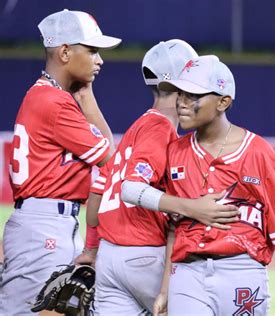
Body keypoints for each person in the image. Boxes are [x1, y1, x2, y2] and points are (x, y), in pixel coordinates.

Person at [74, 40, 240, 315]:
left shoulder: (135, 129)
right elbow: (131, 188)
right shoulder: (160, 130)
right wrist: (191, 207)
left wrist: (91, 249)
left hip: (110, 257)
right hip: (144, 253)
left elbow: (97, 193)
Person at [157, 55, 275, 315]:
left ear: (223, 101)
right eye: (180, 94)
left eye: (193, 95)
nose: (181, 103)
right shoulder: (174, 151)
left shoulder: (258, 153)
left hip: (242, 272)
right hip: (186, 273)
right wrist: (165, 289)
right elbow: (173, 228)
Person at [0, 9, 121, 315]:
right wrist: (88, 96)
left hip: (53, 224)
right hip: (43, 228)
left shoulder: (51, 97)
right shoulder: (54, 103)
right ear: (65, 52)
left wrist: (83, 95)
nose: (99, 59)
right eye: (92, 50)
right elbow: (110, 158)